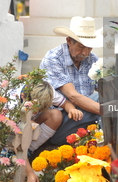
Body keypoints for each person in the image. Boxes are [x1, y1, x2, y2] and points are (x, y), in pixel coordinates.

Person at [40, 16, 103, 145]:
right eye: (81, 47)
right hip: (60, 124)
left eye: (89, 48)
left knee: (106, 98)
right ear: (69, 40)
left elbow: (106, 88)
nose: (85, 53)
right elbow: (73, 96)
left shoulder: (92, 59)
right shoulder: (53, 59)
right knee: (104, 104)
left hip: (86, 116)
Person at [8, 81, 83, 182]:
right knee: (19, 141)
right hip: (9, 139)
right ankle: (14, 156)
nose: (36, 112)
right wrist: (29, 173)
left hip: (28, 126)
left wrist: (72, 109)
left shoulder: (47, 91)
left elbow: (65, 103)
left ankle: (30, 150)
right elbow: (16, 141)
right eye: (35, 108)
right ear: (24, 97)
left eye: (40, 109)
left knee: (56, 115)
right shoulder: (12, 105)